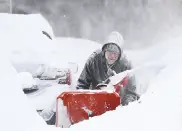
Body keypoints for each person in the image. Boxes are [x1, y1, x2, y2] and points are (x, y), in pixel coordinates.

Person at [76, 31, 139, 105]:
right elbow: (82, 84)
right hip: (93, 101)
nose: (112, 56)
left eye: (115, 53)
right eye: (109, 52)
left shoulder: (126, 65)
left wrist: (125, 107)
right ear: (104, 51)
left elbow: (131, 92)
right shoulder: (93, 60)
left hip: (117, 104)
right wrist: (83, 102)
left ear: (120, 54)